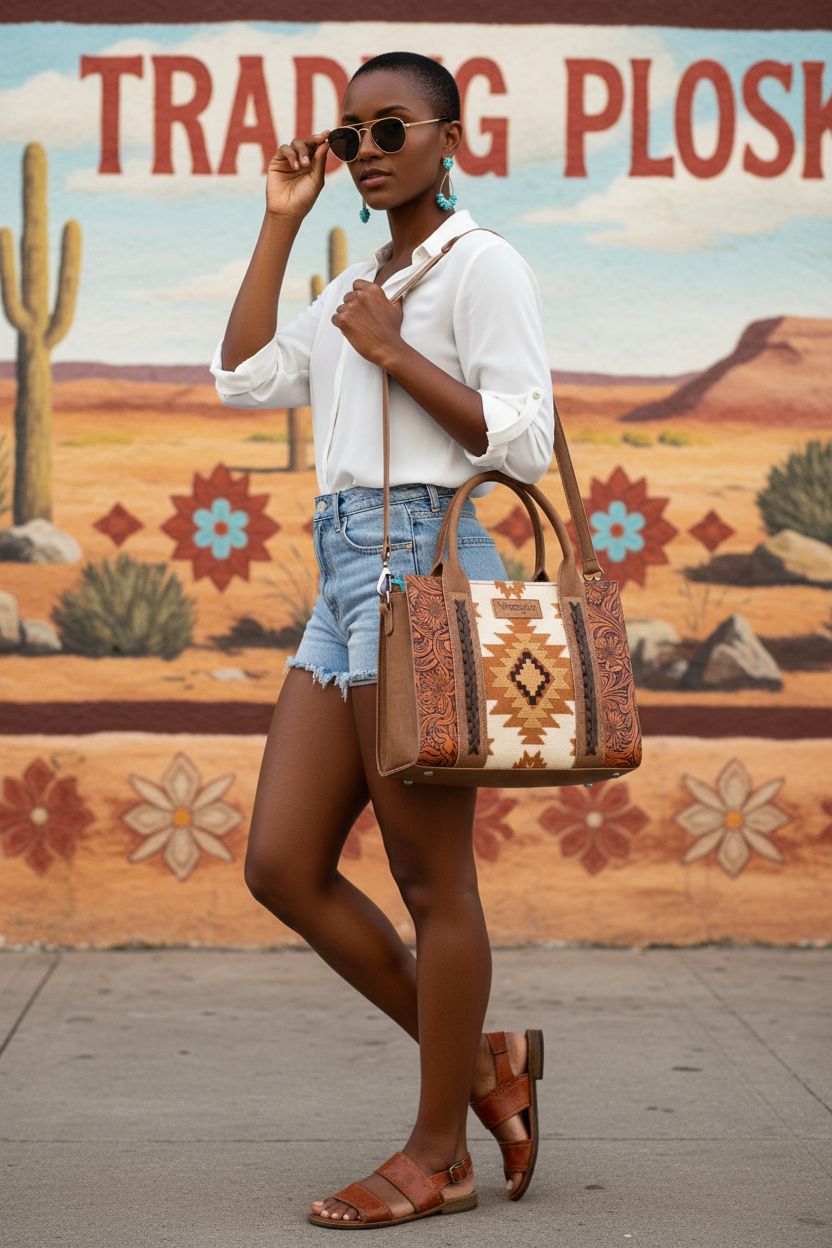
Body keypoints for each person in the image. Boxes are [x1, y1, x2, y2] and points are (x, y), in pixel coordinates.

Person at [210, 50, 553, 1230]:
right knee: (281, 864)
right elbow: (244, 377)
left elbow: (525, 439)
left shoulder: (480, 265)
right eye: (350, 132)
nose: (365, 150)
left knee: (430, 881)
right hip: (344, 571)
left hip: (423, 564)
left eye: (391, 127)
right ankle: (485, 1064)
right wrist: (280, 218)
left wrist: (393, 350)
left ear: (451, 138)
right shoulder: (360, 278)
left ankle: (437, 1155)